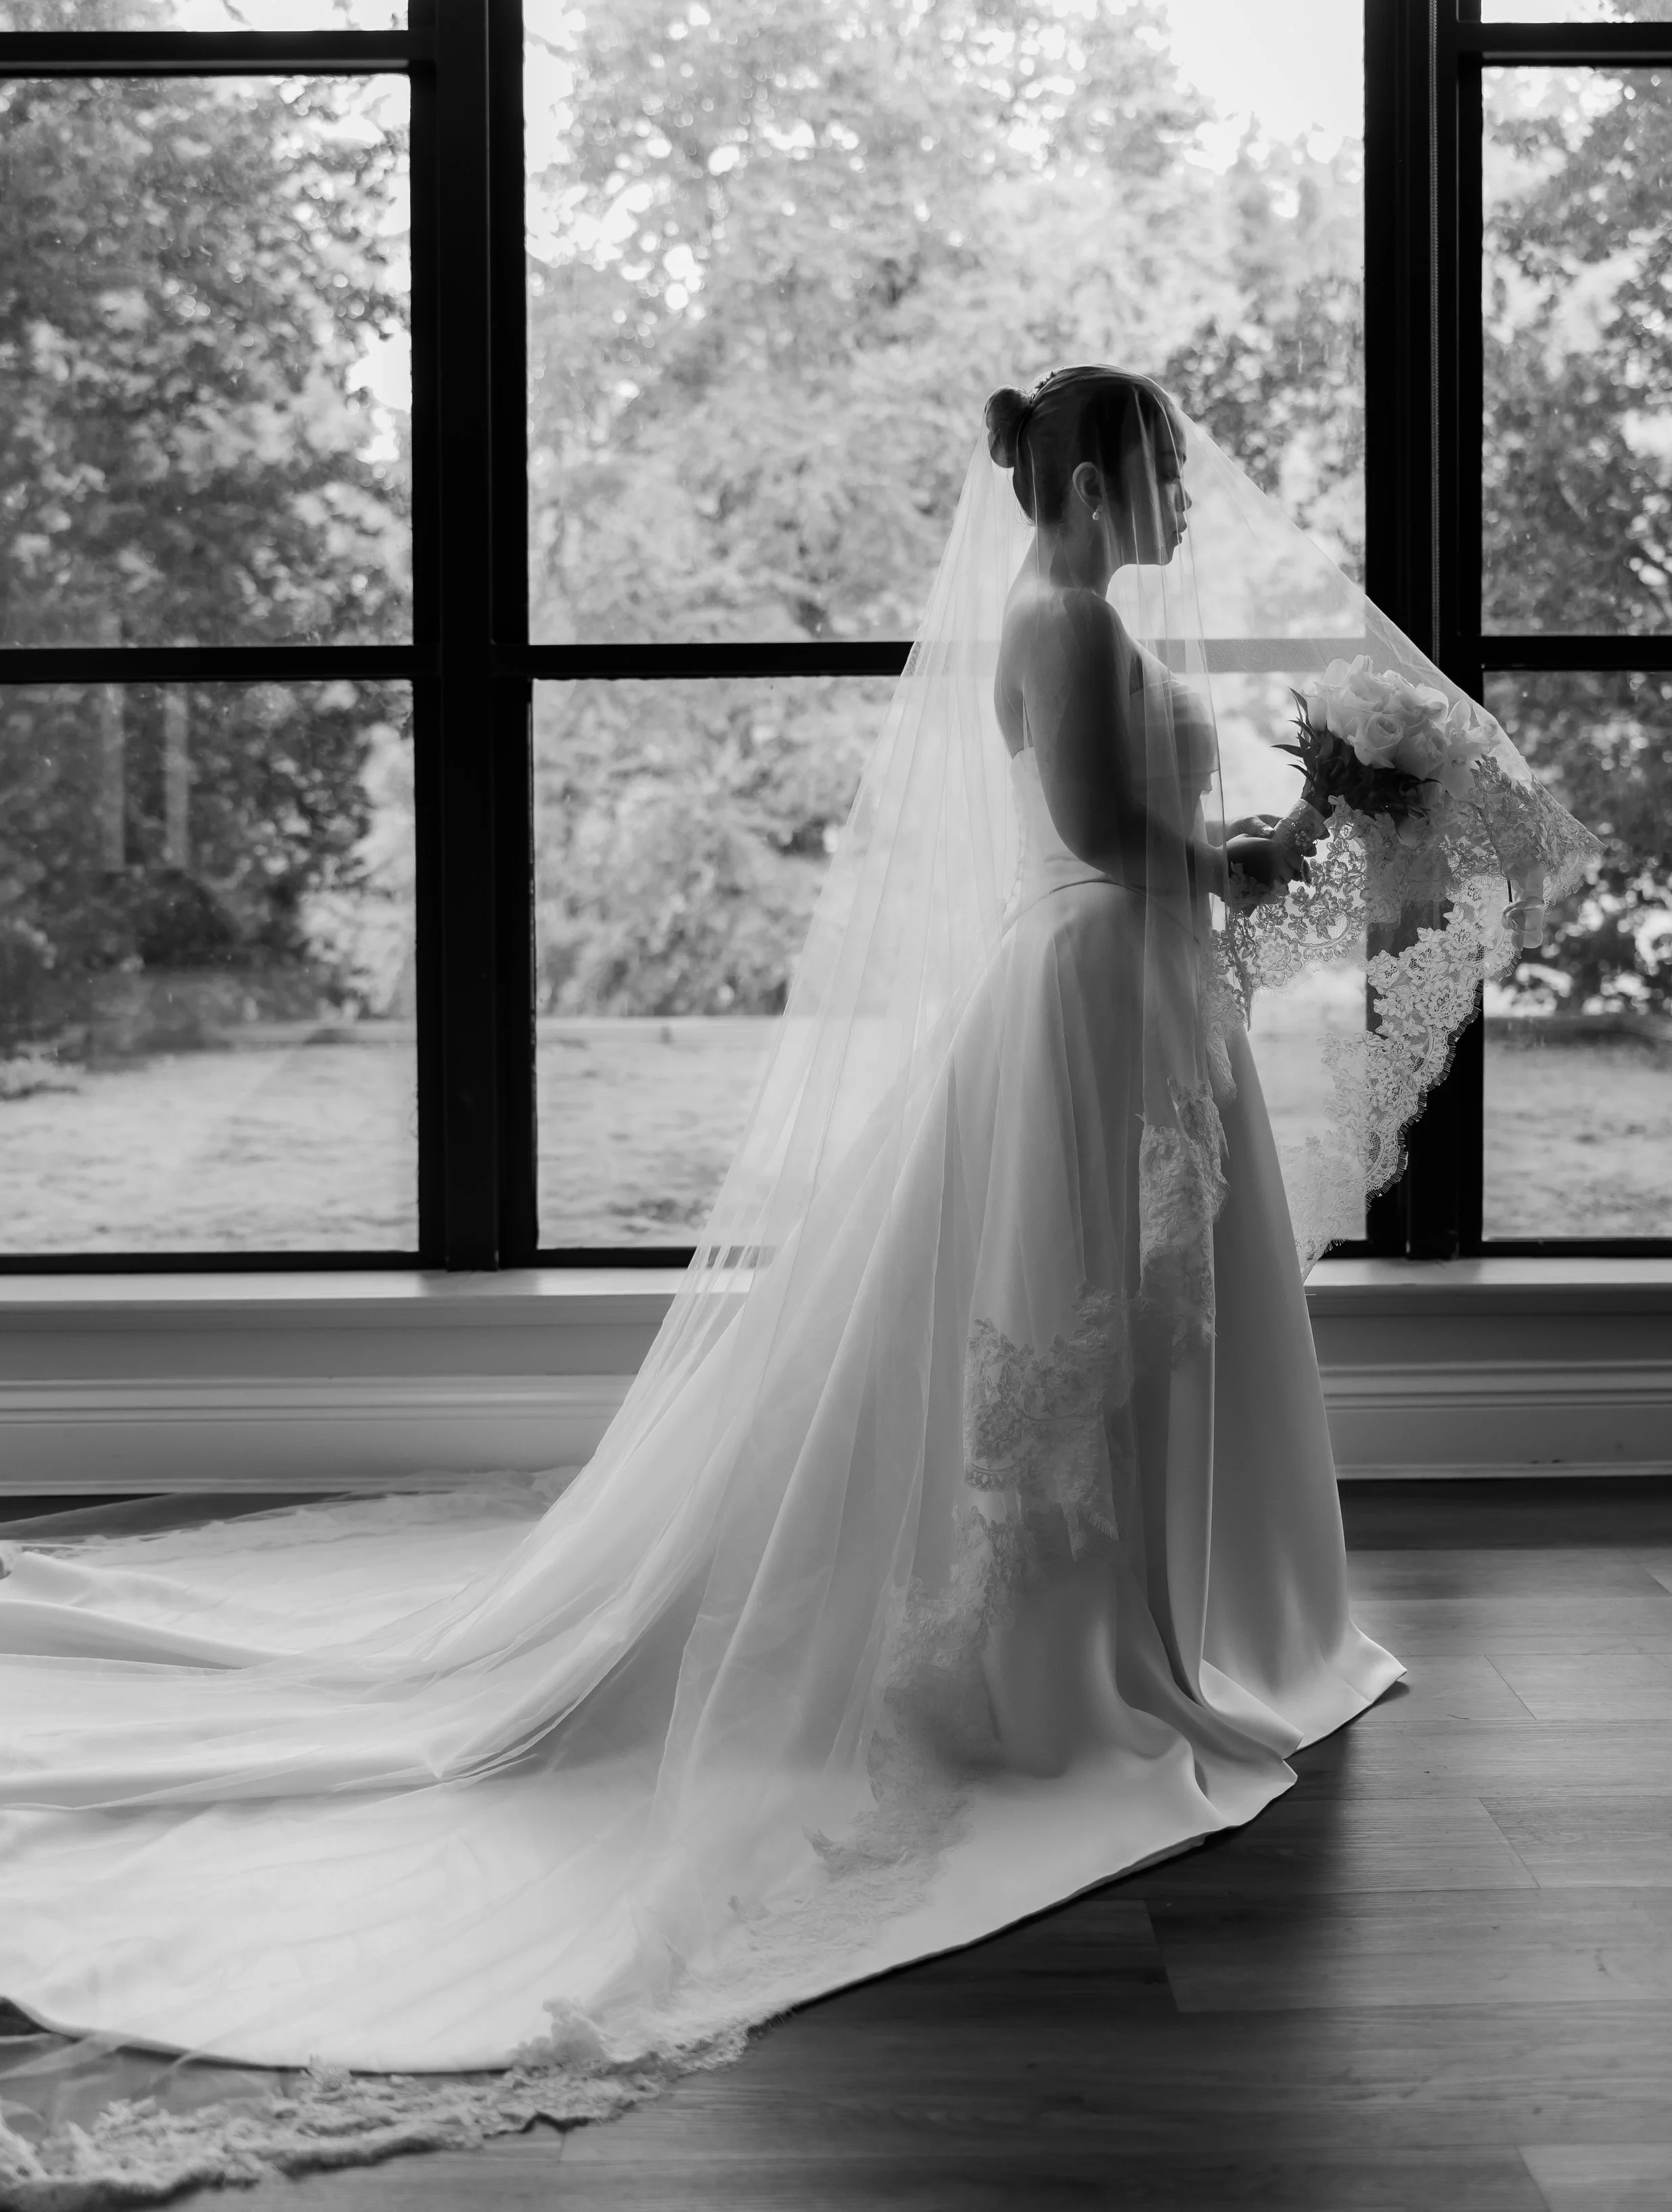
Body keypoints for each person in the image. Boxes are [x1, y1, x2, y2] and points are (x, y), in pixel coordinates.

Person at [0, 371, 1591, 2203]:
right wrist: (1277, 848)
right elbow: (1108, 837)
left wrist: (1275, 843)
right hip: (1089, 993)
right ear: (1081, 481)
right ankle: (1065, 1641)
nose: (1179, 499)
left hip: (1127, 994)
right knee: (1058, 1329)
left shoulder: (1075, 617)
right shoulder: (1063, 625)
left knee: (1125, 1327)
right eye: (1154, 468)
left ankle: (1151, 1605)